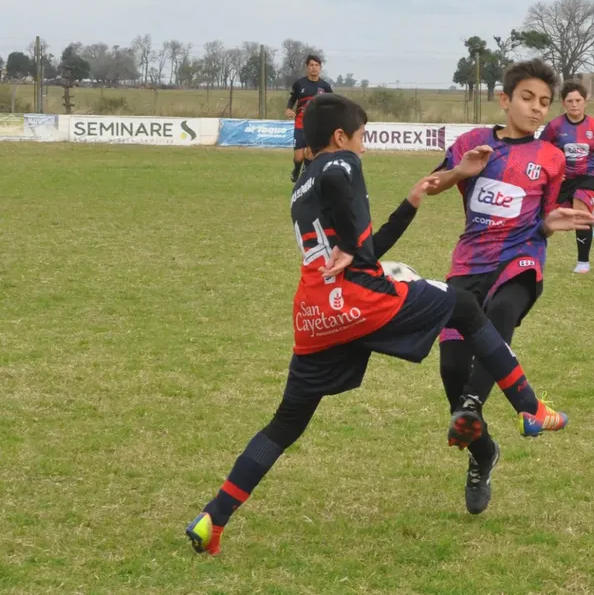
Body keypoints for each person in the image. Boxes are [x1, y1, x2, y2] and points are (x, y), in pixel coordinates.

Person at [185, 93, 569, 556]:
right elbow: (352, 216)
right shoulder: (340, 163)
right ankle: (529, 406)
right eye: (362, 137)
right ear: (341, 137)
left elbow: (366, 247)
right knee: (466, 308)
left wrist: (408, 204)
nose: (364, 147)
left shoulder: (302, 182)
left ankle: (214, 516)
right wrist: (352, 237)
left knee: (285, 424)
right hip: (361, 301)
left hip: (313, 314)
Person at [425, 59, 594, 515]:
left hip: (522, 258)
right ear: (504, 99)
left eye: (544, 102)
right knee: (451, 368)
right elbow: (431, 186)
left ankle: (471, 404)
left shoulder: (552, 158)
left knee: (501, 314)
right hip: (469, 264)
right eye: (527, 98)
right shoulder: (471, 143)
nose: (537, 109)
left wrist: (551, 222)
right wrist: (461, 172)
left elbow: (546, 213)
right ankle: (483, 453)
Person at [538, 80, 594, 273]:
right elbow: (539, 151)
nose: (574, 104)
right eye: (570, 101)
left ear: (585, 102)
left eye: (578, 100)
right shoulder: (554, 126)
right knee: (547, 217)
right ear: (564, 103)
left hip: (586, 177)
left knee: (580, 213)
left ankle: (583, 263)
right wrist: (553, 172)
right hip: (562, 180)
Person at [286, 55, 333, 182]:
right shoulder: (299, 84)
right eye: (311, 65)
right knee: (299, 157)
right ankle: (296, 170)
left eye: (316, 65)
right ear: (307, 67)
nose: (314, 68)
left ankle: (306, 175)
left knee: (310, 153)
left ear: (320, 68)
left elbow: (331, 104)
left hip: (316, 126)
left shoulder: (325, 87)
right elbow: (292, 99)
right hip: (300, 124)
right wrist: (289, 108)